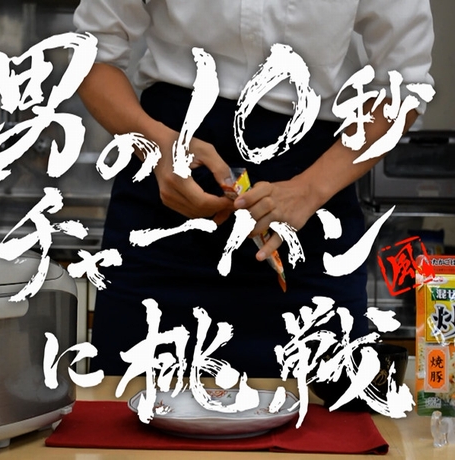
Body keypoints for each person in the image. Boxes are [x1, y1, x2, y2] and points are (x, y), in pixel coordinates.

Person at [73, 0, 434, 377]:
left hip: (310, 215)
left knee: (326, 409)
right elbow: (92, 50)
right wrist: (154, 143)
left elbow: (405, 86)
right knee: (127, 402)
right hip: (164, 207)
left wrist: (309, 190)